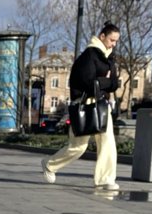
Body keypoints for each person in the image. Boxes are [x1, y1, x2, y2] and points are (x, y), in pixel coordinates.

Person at [41, 22, 121, 192]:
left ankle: (104, 179)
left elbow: (114, 84)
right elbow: (86, 83)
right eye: (112, 40)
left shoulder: (109, 58)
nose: (114, 44)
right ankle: (50, 164)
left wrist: (105, 82)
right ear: (102, 37)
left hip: (101, 104)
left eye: (116, 41)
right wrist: (106, 81)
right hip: (85, 105)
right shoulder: (89, 56)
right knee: (78, 147)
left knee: (108, 143)